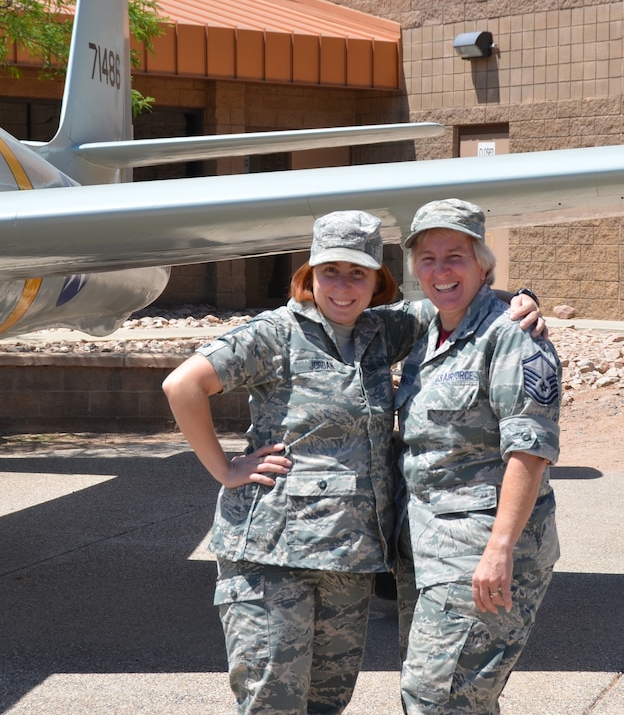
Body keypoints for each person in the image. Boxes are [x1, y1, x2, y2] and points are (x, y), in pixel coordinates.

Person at [162, 209, 543, 715]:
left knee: (327, 701)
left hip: (349, 560)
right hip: (272, 556)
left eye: (358, 272)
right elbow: (182, 385)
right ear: (310, 274)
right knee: (271, 701)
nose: (343, 286)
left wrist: (524, 300)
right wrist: (225, 469)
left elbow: (457, 295)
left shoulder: (381, 332)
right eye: (330, 271)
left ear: (377, 280)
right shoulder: (273, 333)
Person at [394, 199, 561, 715]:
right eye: (427, 258)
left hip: (481, 550)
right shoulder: (424, 329)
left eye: (455, 256)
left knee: (436, 700)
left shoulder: (513, 335)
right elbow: (345, 308)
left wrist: (500, 548)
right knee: (457, 699)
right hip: (425, 548)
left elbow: (529, 450)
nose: (441, 271)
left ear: (483, 265)